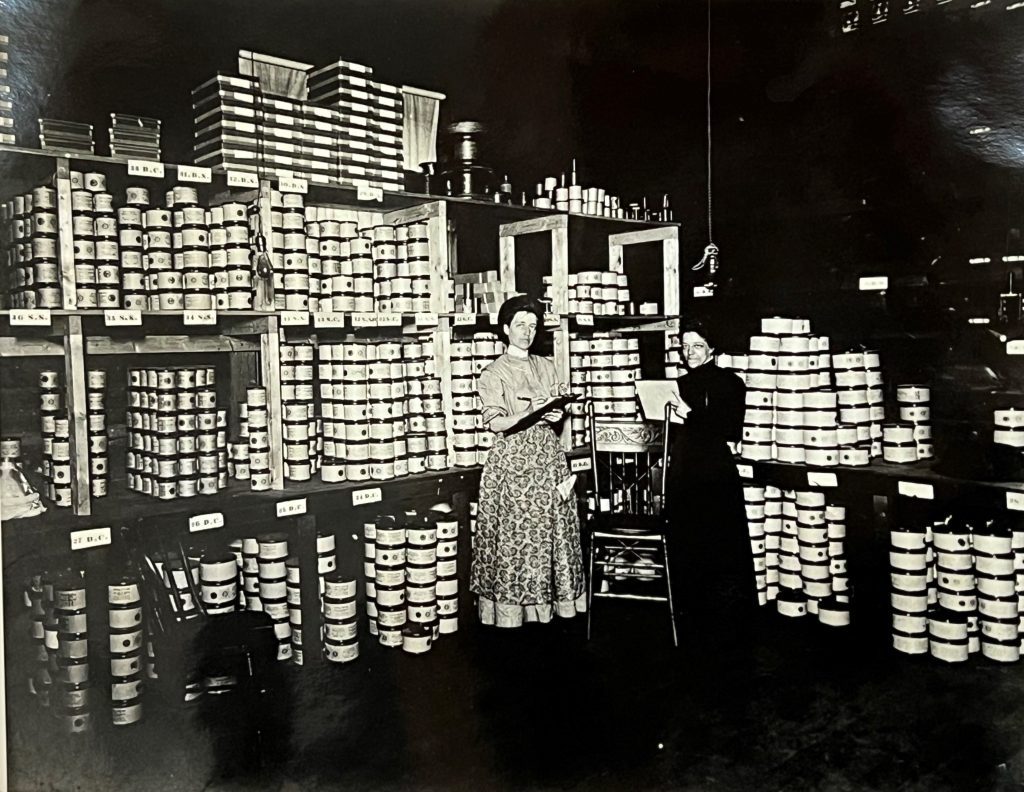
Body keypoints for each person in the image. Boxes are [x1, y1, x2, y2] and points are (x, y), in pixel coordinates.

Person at [470, 295, 586, 628]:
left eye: (533, 326)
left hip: (548, 457)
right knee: (515, 538)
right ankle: (511, 615)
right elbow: (495, 422)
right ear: (505, 329)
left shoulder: (547, 365)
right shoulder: (493, 372)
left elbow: (556, 410)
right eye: (520, 325)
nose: (527, 332)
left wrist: (556, 409)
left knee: (553, 533)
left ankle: (549, 609)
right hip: (512, 462)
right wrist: (531, 412)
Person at [665, 318, 753, 632]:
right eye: (685, 346)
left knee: (719, 542)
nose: (690, 352)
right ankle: (691, 611)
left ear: (712, 348)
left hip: (714, 470)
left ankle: (724, 617)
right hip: (684, 468)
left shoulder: (730, 382)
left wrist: (688, 415)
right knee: (686, 540)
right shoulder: (679, 384)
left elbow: (729, 429)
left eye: (697, 346)